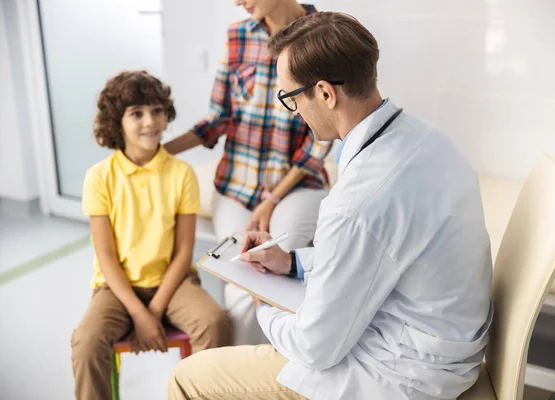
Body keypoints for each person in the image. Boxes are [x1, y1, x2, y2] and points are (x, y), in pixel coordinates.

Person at [168, 11, 494, 400]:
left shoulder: (355, 202)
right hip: (446, 351)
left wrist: (261, 301)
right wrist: (291, 264)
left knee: (186, 378)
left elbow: (315, 348)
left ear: (325, 93)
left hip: (397, 376)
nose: (295, 111)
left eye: (289, 98)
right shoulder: (433, 141)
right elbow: (377, 251)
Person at [164, 0, 331, 346]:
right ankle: (239, 380)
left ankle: (285, 375)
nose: (237, 1)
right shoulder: (238, 36)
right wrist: (160, 152)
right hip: (236, 187)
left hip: (297, 187)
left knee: (277, 273)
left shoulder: (322, 36)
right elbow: (218, 118)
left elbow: (320, 142)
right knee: (241, 282)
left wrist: (270, 201)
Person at [71, 71, 231, 400]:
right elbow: (106, 258)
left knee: (216, 322)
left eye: (157, 111)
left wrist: (154, 311)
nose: (151, 121)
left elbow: (184, 251)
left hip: (173, 284)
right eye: (137, 113)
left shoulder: (181, 173)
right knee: (86, 341)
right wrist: (140, 314)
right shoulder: (99, 177)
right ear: (117, 121)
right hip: (116, 288)